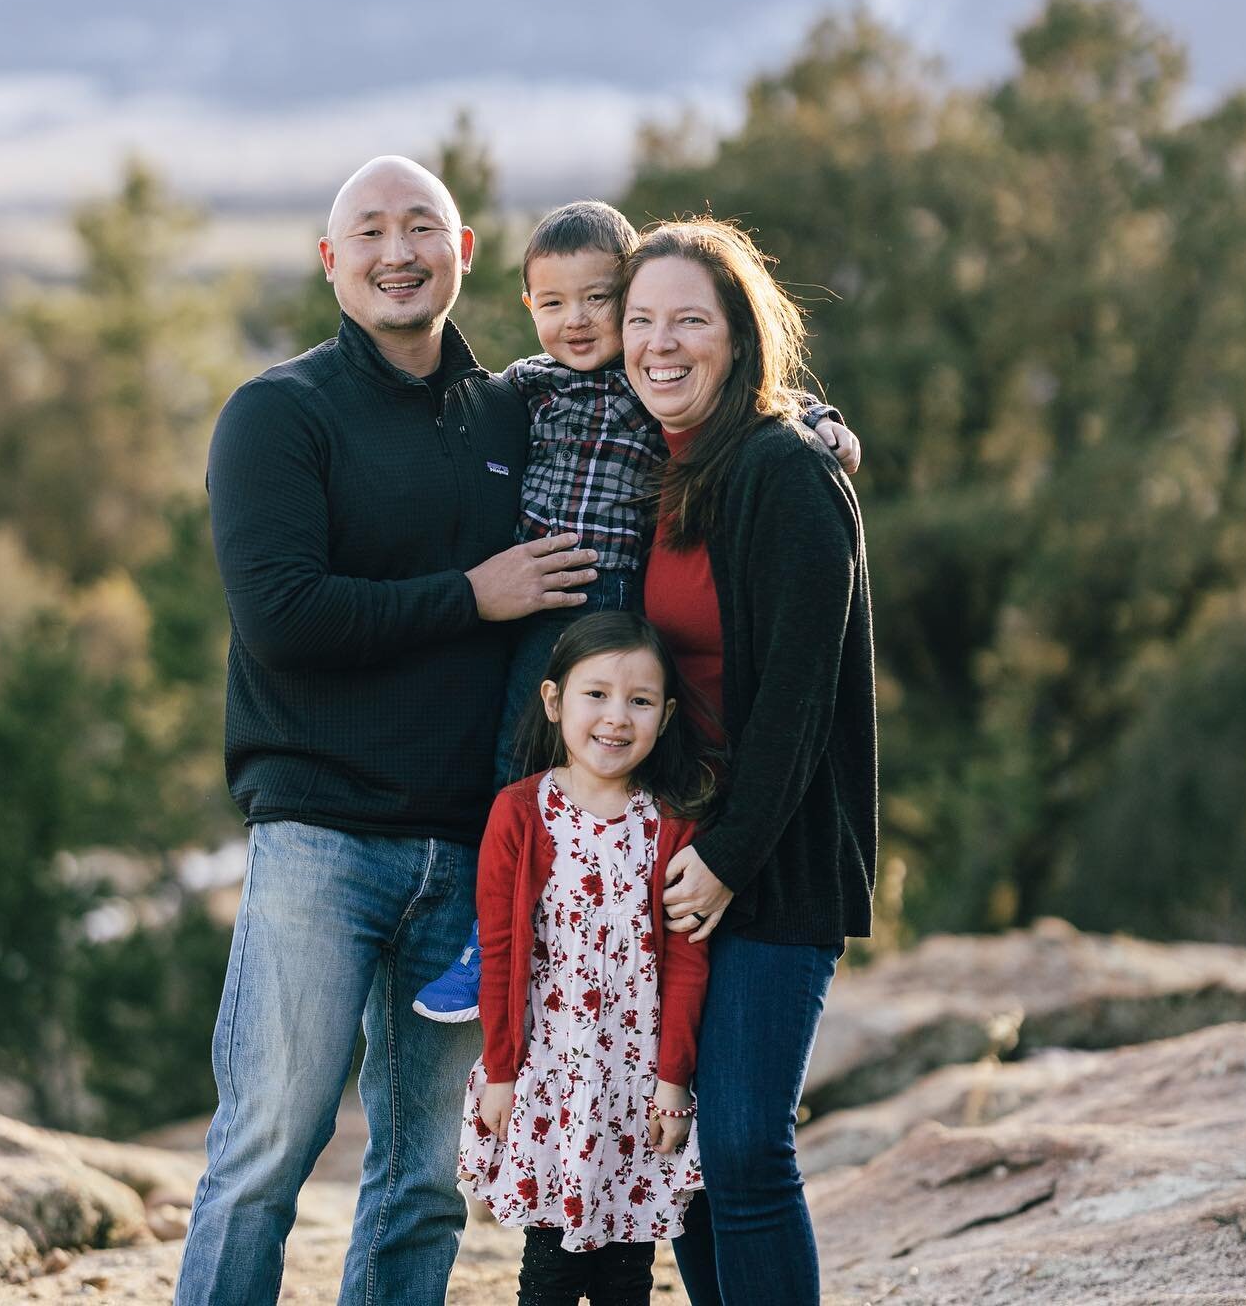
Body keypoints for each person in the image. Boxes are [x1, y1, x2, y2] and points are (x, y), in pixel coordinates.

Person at [174, 156, 601, 1306]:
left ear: (465, 256)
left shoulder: (518, 408)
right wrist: (475, 593)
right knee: (266, 1149)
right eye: (369, 231)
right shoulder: (279, 414)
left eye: (424, 228)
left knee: (424, 1178)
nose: (397, 251)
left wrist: (805, 421)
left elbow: (658, 397)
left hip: (473, 853)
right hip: (322, 835)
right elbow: (282, 619)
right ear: (331, 262)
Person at [413, 199, 859, 1024]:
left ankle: (572, 914)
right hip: (545, 608)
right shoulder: (528, 389)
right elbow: (442, 413)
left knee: (625, 756)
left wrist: (819, 419)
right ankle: (500, 930)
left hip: (622, 608)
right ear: (528, 309)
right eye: (553, 304)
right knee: (520, 754)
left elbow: (751, 394)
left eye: (599, 302)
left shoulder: (647, 384)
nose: (577, 322)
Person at [619, 218, 878, 1306]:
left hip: (769, 864)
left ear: (741, 338)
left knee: (742, 1149)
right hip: (670, 862)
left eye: (689, 320)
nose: (658, 345)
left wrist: (727, 858)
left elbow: (799, 704)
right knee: (680, 1162)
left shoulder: (787, 474)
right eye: (640, 322)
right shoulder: (649, 470)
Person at [458, 611, 714, 1306]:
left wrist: (672, 1080)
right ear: (553, 701)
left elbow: (688, 960)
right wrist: (504, 1070)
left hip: (636, 1081)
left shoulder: (670, 822)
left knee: (629, 1270)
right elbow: (503, 952)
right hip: (552, 1075)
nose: (615, 718)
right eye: (594, 694)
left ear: (663, 717)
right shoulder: (520, 812)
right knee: (552, 1266)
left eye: (638, 701)